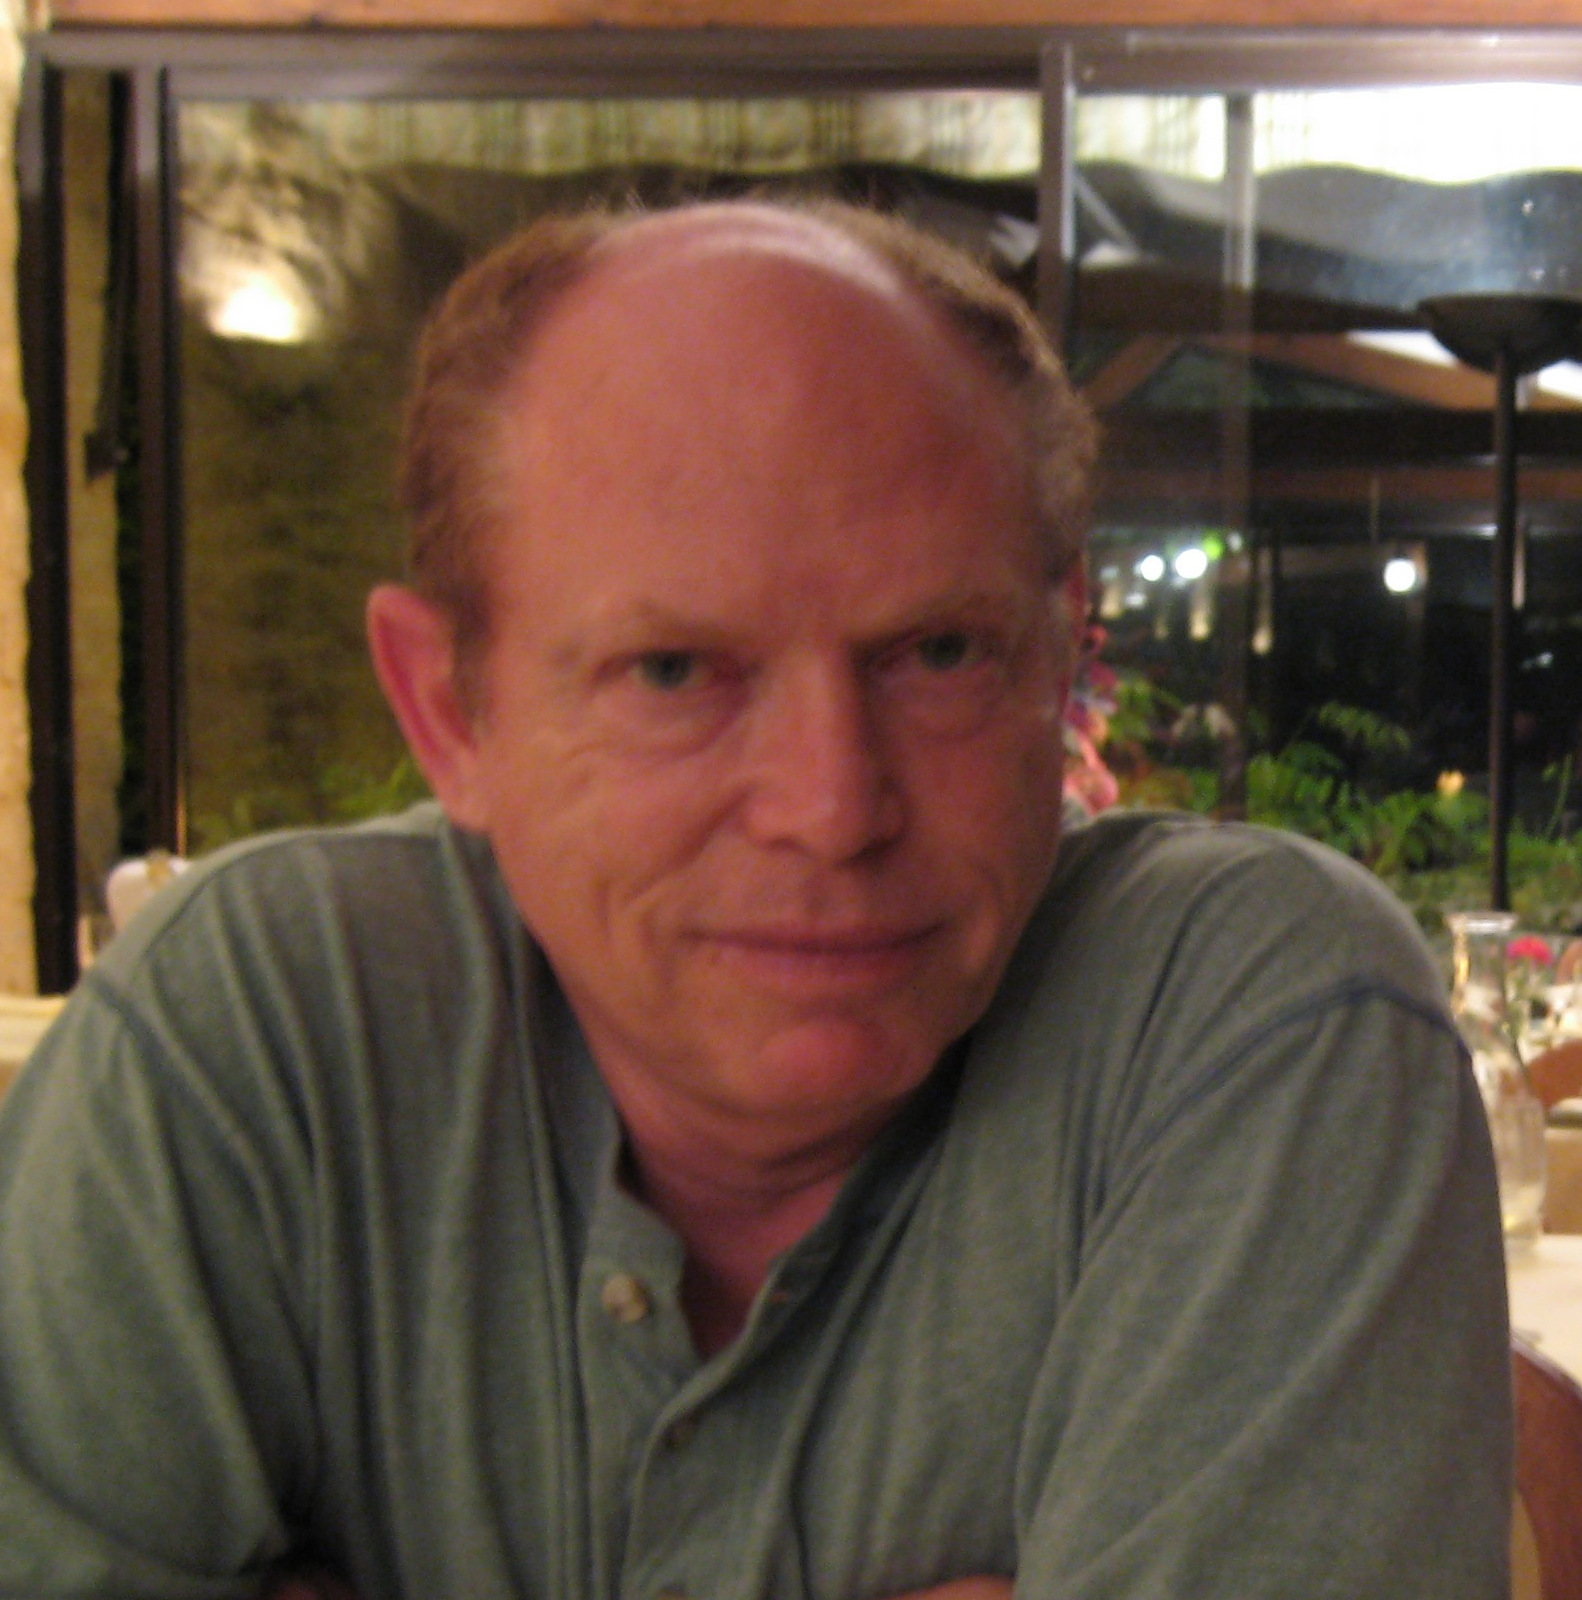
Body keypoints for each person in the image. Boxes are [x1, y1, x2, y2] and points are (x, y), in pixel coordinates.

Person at [0, 200, 1511, 1600]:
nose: (832, 807)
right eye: (674, 671)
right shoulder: (255, 1030)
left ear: (1060, 661)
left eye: (936, 653)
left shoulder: (1254, 1017)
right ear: (450, 712)